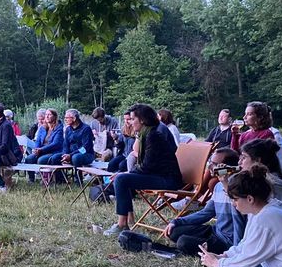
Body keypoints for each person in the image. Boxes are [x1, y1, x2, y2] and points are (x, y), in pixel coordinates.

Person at [103, 104, 182, 236]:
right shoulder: (147, 133)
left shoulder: (154, 135)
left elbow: (147, 166)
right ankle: (129, 220)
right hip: (159, 176)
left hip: (168, 180)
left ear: (143, 120)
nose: (130, 122)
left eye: (133, 119)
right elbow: (137, 153)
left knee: (122, 179)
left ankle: (122, 224)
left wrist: (127, 173)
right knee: (123, 179)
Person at [162, 148, 246, 256]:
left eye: (215, 164)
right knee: (175, 231)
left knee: (183, 242)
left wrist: (235, 252)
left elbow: (240, 224)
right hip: (216, 232)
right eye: (210, 162)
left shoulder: (241, 188)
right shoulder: (218, 186)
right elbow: (206, 213)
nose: (210, 166)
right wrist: (177, 221)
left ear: (227, 168)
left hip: (228, 241)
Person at [239, 138, 282, 216]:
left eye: (244, 157)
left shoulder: (268, 184)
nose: (240, 162)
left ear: (258, 160)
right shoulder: (269, 179)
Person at [38, 109, 95, 179]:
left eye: (67, 118)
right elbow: (65, 145)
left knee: (76, 157)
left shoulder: (86, 129)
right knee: (55, 157)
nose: (65, 119)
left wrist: (70, 155)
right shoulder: (68, 129)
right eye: (65, 118)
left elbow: (86, 147)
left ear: (74, 118)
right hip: (70, 154)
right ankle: (61, 180)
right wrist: (65, 154)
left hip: (86, 154)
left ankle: (78, 179)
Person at [24, 108, 63, 182]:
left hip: (53, 151)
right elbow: (38, 141)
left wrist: (41, 150)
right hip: (41, 151)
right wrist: (36, 149)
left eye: (49, 114)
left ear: (54, 117)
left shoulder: (59, 128)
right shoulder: (42, 128)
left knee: (41, 160)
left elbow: (56, 144)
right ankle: (31, 179)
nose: (47, 116)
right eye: (46, 115)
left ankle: (47, 179)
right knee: (29, 159)